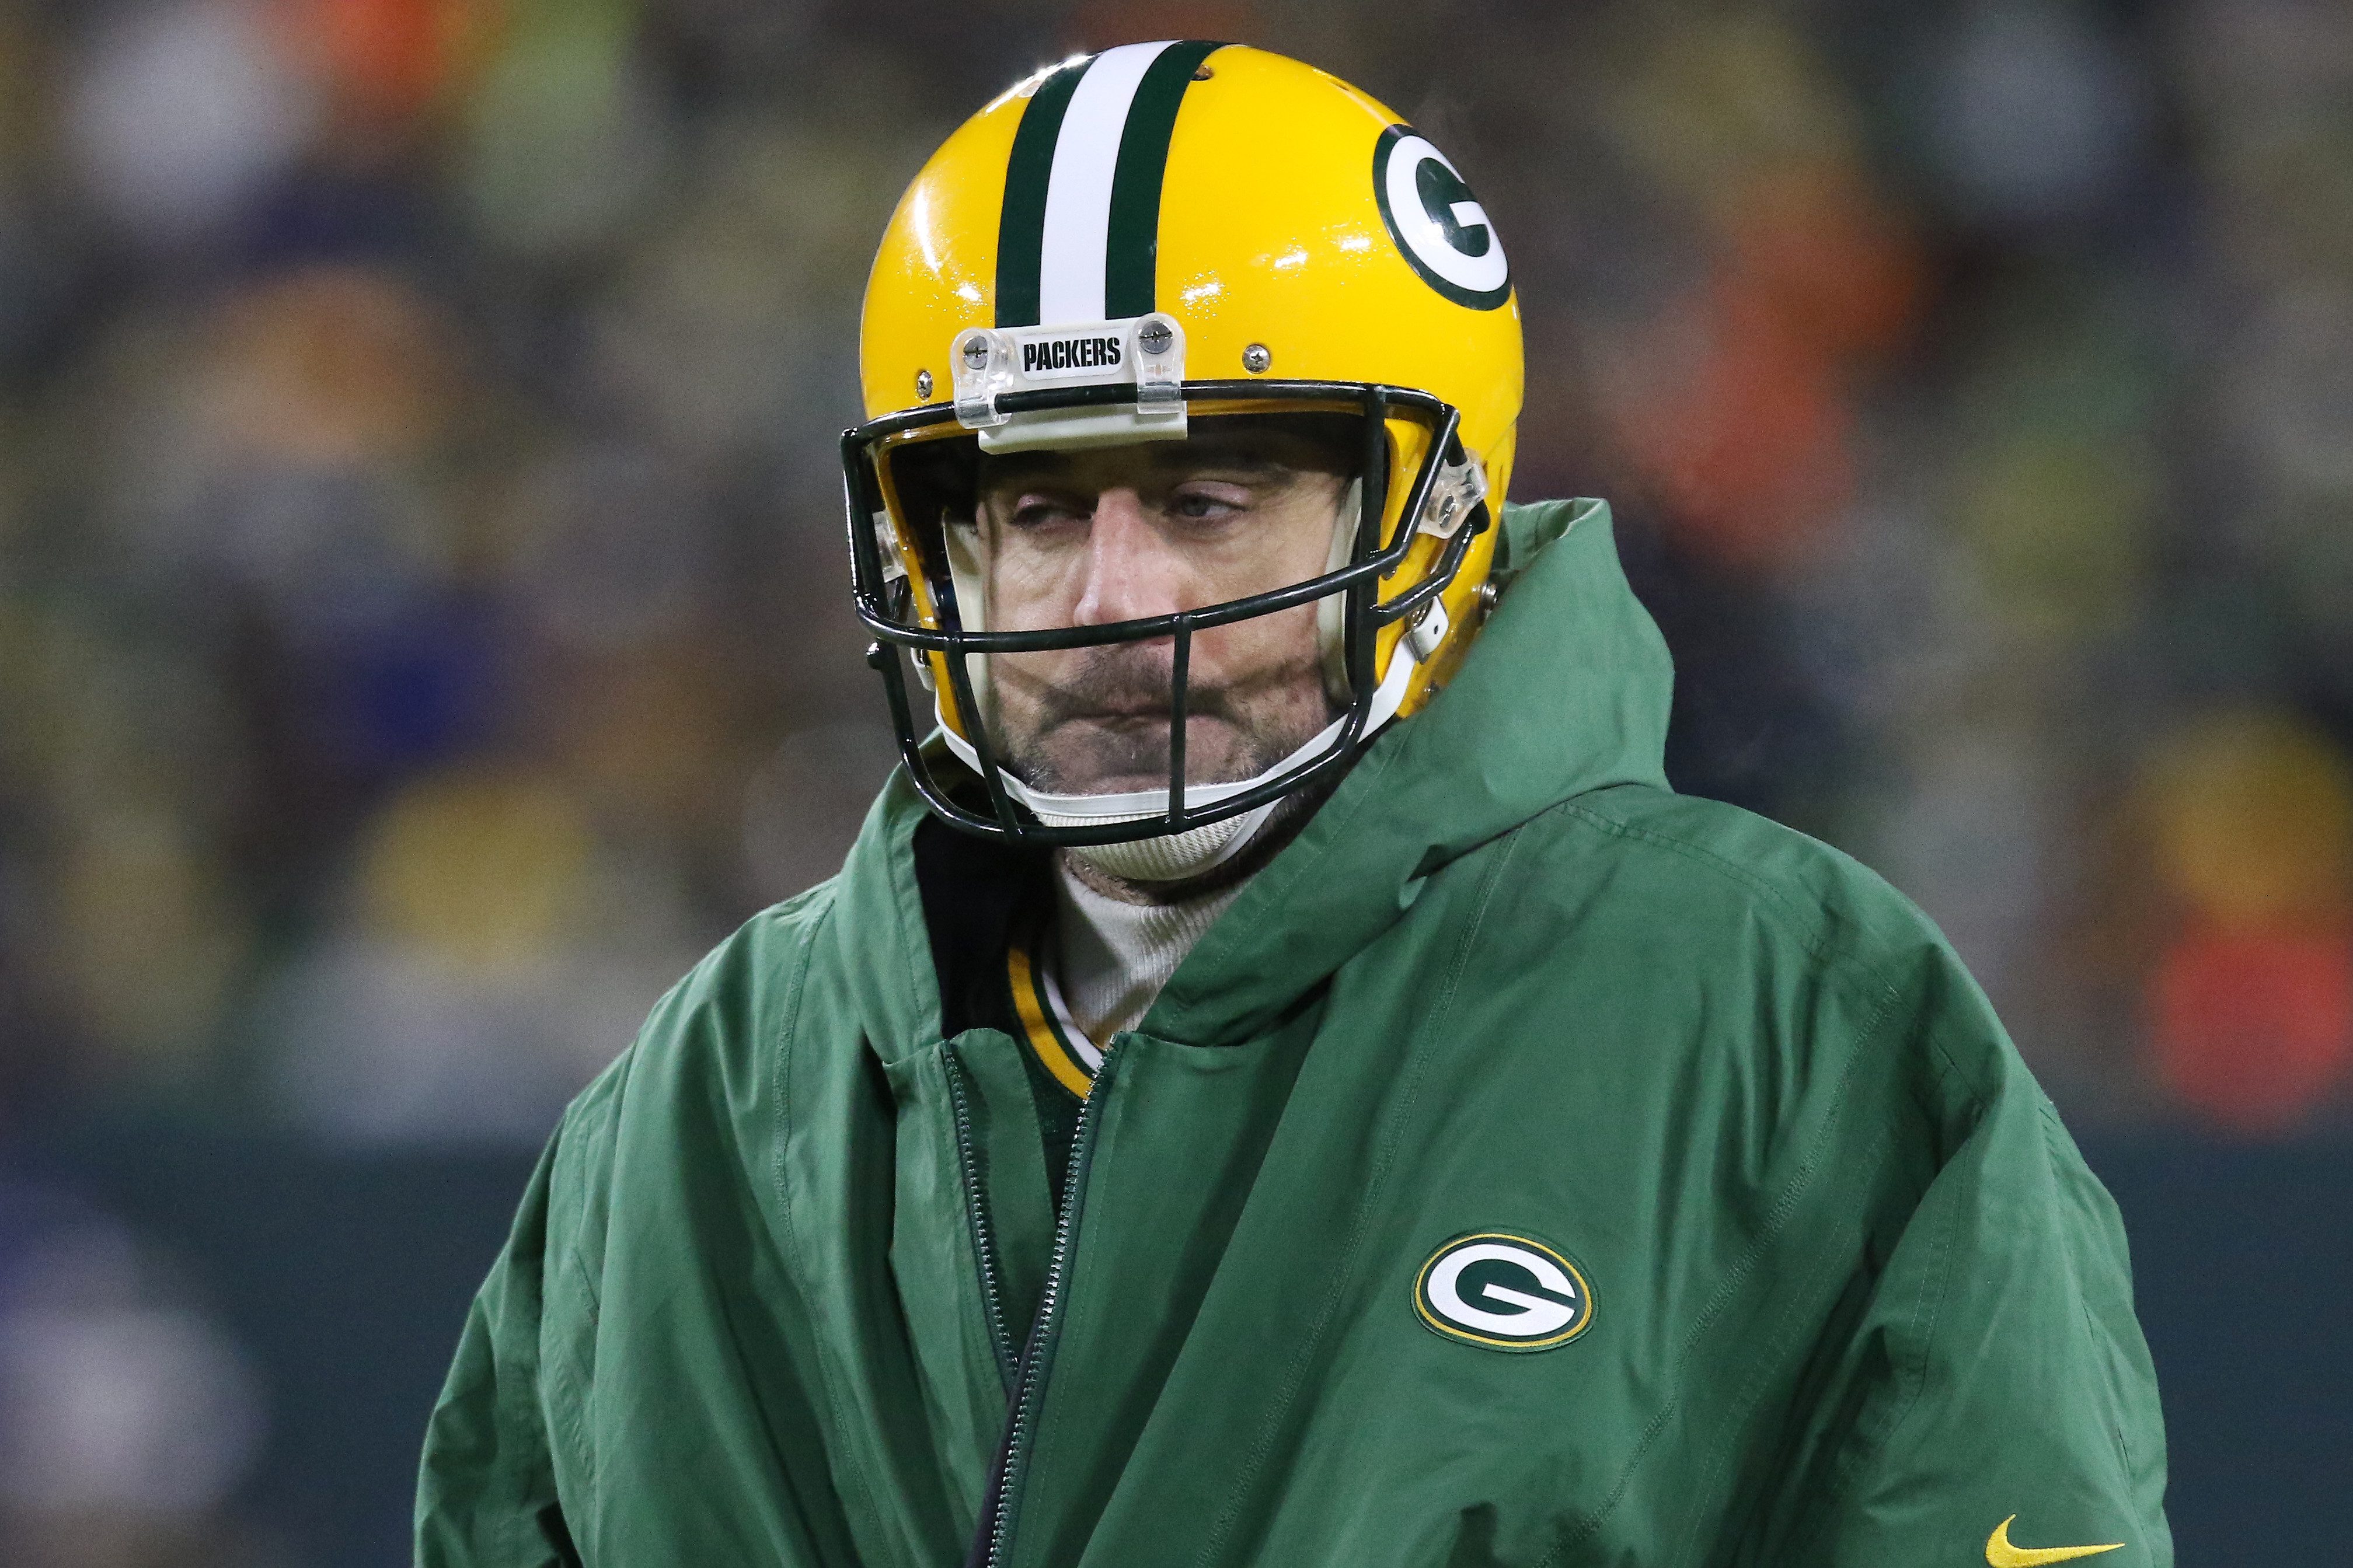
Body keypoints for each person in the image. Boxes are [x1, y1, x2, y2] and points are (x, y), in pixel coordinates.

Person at [416, 42, 2172, 1568]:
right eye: (1035, 512)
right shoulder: (700, 1103)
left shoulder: (1788, 1023)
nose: (1105, 596)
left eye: (1204, 499)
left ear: (1432, 524)